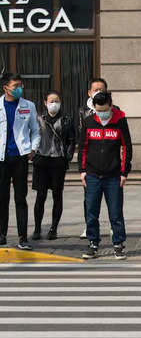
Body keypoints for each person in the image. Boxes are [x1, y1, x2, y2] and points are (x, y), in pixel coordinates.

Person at [79, 91, 133, 260]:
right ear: (94, 108)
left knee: (116, 212)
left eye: (104, 110)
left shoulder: (120, 121)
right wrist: (82, 171)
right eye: (98, 110)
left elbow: (127, 147)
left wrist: (124, 172)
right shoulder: (88, 122)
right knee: (91, 212)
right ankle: (93, 244)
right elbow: (83, 148)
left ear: (110, 105)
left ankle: (118, 244)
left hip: (114, 175)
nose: (102, 113)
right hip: (92, 175)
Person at [0, 73, 40, 250]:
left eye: (20, 85)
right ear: (5, 88)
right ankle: (2, 235)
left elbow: (36, 131)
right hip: (1, 158)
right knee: (2, 198)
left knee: (20, 198)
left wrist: (33, 148)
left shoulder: (28, 106)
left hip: (20, 157)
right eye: (15, 85)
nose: (18, 89)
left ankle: (23, 237)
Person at [32, 90, 75, 241]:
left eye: (57, 100)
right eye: (51, 101)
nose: (54, 104)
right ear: (45, 103)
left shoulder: (66, 120)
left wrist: (67, 157)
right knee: (41, 196)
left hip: (58, 161)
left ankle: (53, 229)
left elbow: (71, 139)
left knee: (57, 195)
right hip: (42, 160)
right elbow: (32, 135)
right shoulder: (38, 118)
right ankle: (37, 228)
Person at [77, 77, 110, 240]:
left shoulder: (113, 110)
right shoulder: (83, 111)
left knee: (113, 199)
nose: (98, 92)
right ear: (89, 93)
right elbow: (81, 138)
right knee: (89, 199)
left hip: (109, 162)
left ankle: (113, 226)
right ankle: (89, 226)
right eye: (95, 89)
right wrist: (82, 168)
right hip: (91, 162)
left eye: (101, 89)